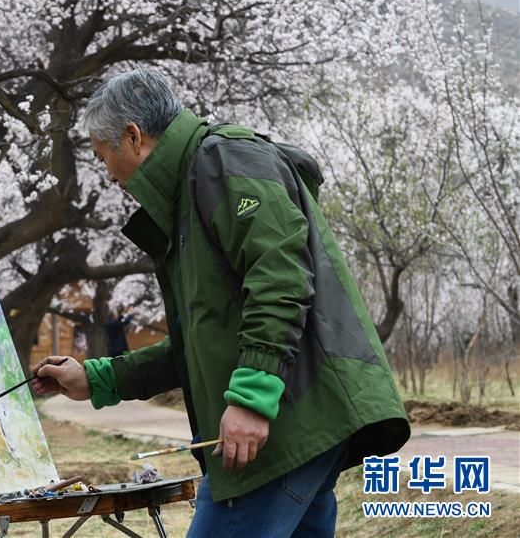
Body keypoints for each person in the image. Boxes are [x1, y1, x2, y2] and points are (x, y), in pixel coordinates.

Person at [31, 69, 410, 537]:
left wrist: (252, 402)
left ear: (132, 137)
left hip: (282, 425)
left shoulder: (223, 160)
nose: (108, 174)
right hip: (297, 423)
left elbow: (281, 280)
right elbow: (197, 347)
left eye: (103, 156)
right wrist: (97, 378)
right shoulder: (187, 199)